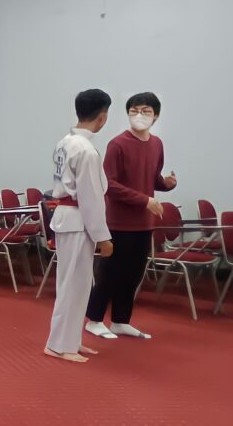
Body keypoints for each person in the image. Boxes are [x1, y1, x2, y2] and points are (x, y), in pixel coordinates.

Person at [85, 92, 175, 340]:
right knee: (110, 272)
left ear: (156, 116)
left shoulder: (157, 144)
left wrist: (167, 184)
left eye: (146, 111)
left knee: (133, 274)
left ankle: (120, 321)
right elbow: (109, 184)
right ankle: (94, 319)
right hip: (118, 222)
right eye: (134, 111)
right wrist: (144, 200)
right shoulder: (118, 144)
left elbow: (152, 178)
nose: (139, 115)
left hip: (143, 223)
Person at [45, 89, 114, 363]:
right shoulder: (85, 150)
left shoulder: (66, 142)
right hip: (77, 219)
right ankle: (59, 345)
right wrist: (103, 236)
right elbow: (90, 196)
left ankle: (71, 339)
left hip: (70, 218)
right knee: (72, 285)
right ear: (102, 117)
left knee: (79, 284)